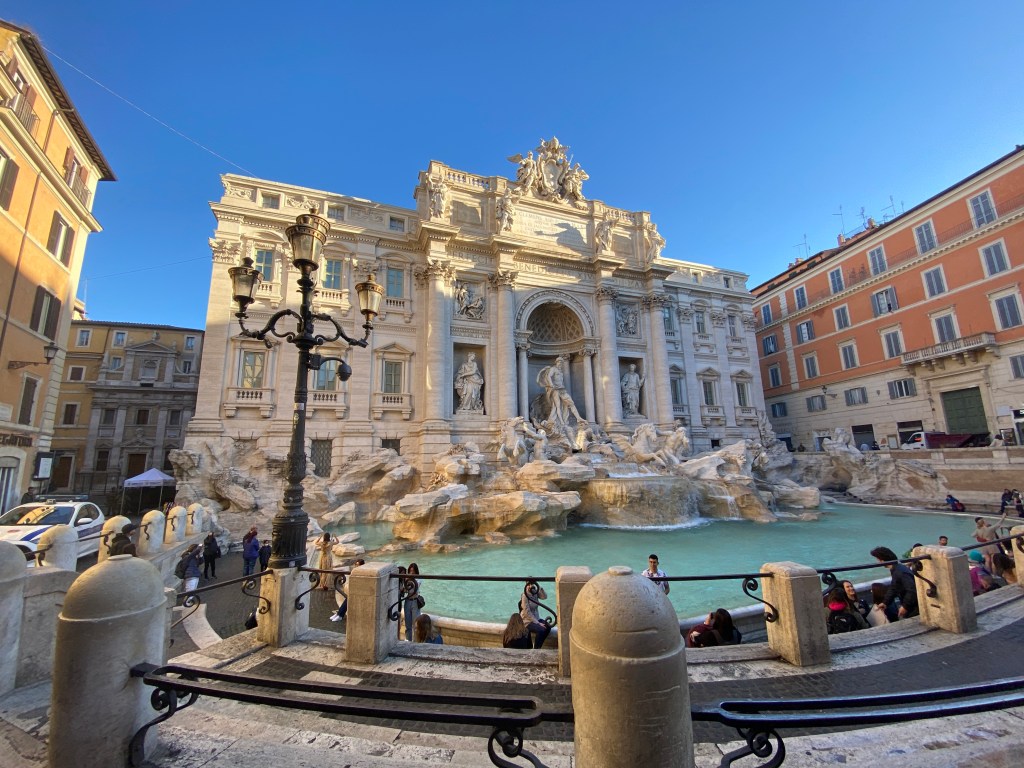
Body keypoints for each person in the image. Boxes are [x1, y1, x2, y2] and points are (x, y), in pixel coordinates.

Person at [870, 546, 919, 619]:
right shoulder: (896, 569)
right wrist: (885, 602)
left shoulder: (900, 571)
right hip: (911, 605)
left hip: (914, 607)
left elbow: (912, 590)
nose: (878, 562)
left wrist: (905, 606)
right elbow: (894, 587)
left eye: (878, 559)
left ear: (883, 559)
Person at [519, 581, 551, 649]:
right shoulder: (524, 595)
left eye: (532, 584)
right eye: (529, 584)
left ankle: (538, 646)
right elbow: (527, 612)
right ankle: (536, 649)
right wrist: (538, 623)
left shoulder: (535, 592)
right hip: (527, 621)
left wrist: (538, 587)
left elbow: (544, 597)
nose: (530, 586)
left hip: (536, 618)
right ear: (526, 585)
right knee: (541, 630)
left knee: (548, 626)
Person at [403, 563, 422, 641]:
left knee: (416, 624)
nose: (411, 573)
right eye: (410, 571)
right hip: (407, 601)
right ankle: (408, 641)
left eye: (413, 571)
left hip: (415, 602)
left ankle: (415, 642)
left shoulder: (419, 579)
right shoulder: (406, 579)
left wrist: (408, 580)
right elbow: (405, 590)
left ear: (416, 572)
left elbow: (414, 589)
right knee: (408, 625)